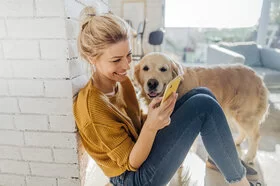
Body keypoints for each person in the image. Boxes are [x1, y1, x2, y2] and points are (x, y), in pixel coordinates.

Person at [73, 6, 260, 186]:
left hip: (141, 153)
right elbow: (132, 163)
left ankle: (221, 159)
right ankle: (241, 183)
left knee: (201, 94)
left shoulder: (120, 81)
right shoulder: (93, 107)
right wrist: (152, 126)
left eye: (128, 55)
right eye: (116, 60)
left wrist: (155, 115)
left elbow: (134, 124)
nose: (127, 66)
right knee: (203, 105)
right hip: (133, 178)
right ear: (92, 59)